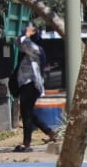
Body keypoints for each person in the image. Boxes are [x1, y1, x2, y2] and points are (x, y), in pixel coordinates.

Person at [13, 23, 57, 152]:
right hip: (27, 85)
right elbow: (18, 42)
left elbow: (22, 42)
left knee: (27, 115)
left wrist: (26, 34)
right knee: (28, 113)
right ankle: (50, 132)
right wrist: (24, 34)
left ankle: (27, 144)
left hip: (31, 85)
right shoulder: (30, 50)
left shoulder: (35, 49)